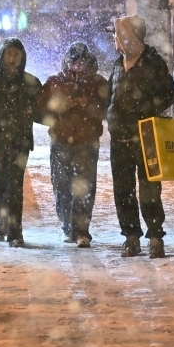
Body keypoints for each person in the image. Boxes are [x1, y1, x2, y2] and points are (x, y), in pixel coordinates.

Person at [106, 15, 174, 258]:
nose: (116, 40)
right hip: (120, 138)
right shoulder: (118, 64)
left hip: (147, 136)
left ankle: (155, 236)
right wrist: (110, 116)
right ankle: (131, 237)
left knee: (150, 189)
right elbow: (110, 95)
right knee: (123, 189)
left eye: (120, 35)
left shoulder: (152, 62)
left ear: (133, 37)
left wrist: (146, 110)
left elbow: (169, 93)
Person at [37, 42, 109, 248]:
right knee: (61, 186)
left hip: (87, 142)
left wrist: (89, 104)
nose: (78, 66)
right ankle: (67, 225)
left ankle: (81, 230)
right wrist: (60, 107)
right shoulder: (55, 82)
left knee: (85, 186)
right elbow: (40, 111)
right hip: (61, 142)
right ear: (66, 62)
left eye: (82, 62)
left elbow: (107, 109)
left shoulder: (97, 83)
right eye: (74, 62)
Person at [0, 38, 42, 247]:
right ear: (2, 56)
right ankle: (0, 225)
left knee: (15, 186)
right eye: (9, 54)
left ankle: (15, 232)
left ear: (22, 57)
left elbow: (43, 112)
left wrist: (36, 112)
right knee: (0, 184)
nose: (12, 59)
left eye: (16, 54)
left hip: (20, 143)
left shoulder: (30, 83)